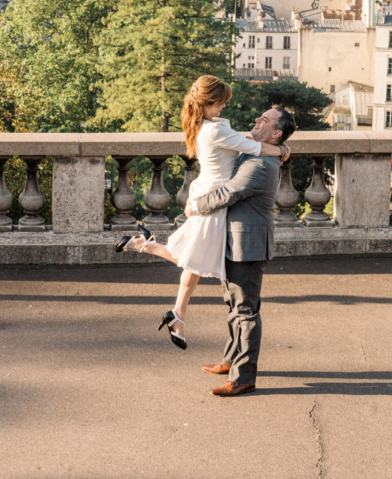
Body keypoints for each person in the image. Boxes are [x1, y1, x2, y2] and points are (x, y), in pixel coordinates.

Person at [120, 75, 288, 349]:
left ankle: (154, 267)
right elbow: (256, 147)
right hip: (213, 198)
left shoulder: (206, 125)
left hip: (208, 193)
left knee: (196, 258)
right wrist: (282, 149)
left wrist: (278, 147)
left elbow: (242, 141)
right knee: (197, 259)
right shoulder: (214, 130)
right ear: (208, 102)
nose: (223, 108)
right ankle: (174, 306)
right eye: (220, 103)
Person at [189, 104, 295, 397]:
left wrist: (195, 206)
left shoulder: (260, 165)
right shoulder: (254, 150)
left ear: (276, 132)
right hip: (235, 242)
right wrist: (283, 149)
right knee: (234, 306)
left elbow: (229, 192)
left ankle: (244, 377)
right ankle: (229, 360)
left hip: (247, 246)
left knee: (246, 312)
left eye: (266, 119)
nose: (258, 118)